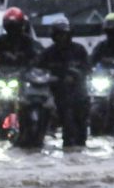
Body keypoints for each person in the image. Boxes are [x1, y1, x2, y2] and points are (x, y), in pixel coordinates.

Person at [39, 16, 91, 148]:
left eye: (64, 35)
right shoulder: (48, 53)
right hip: (56, 94)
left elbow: (87, 68)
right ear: (54, 36)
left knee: (81, 130)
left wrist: (75, 75)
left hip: (78, 93)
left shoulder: (79, 50)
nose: (62, 38)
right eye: (59, 35)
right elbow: (37, 68)